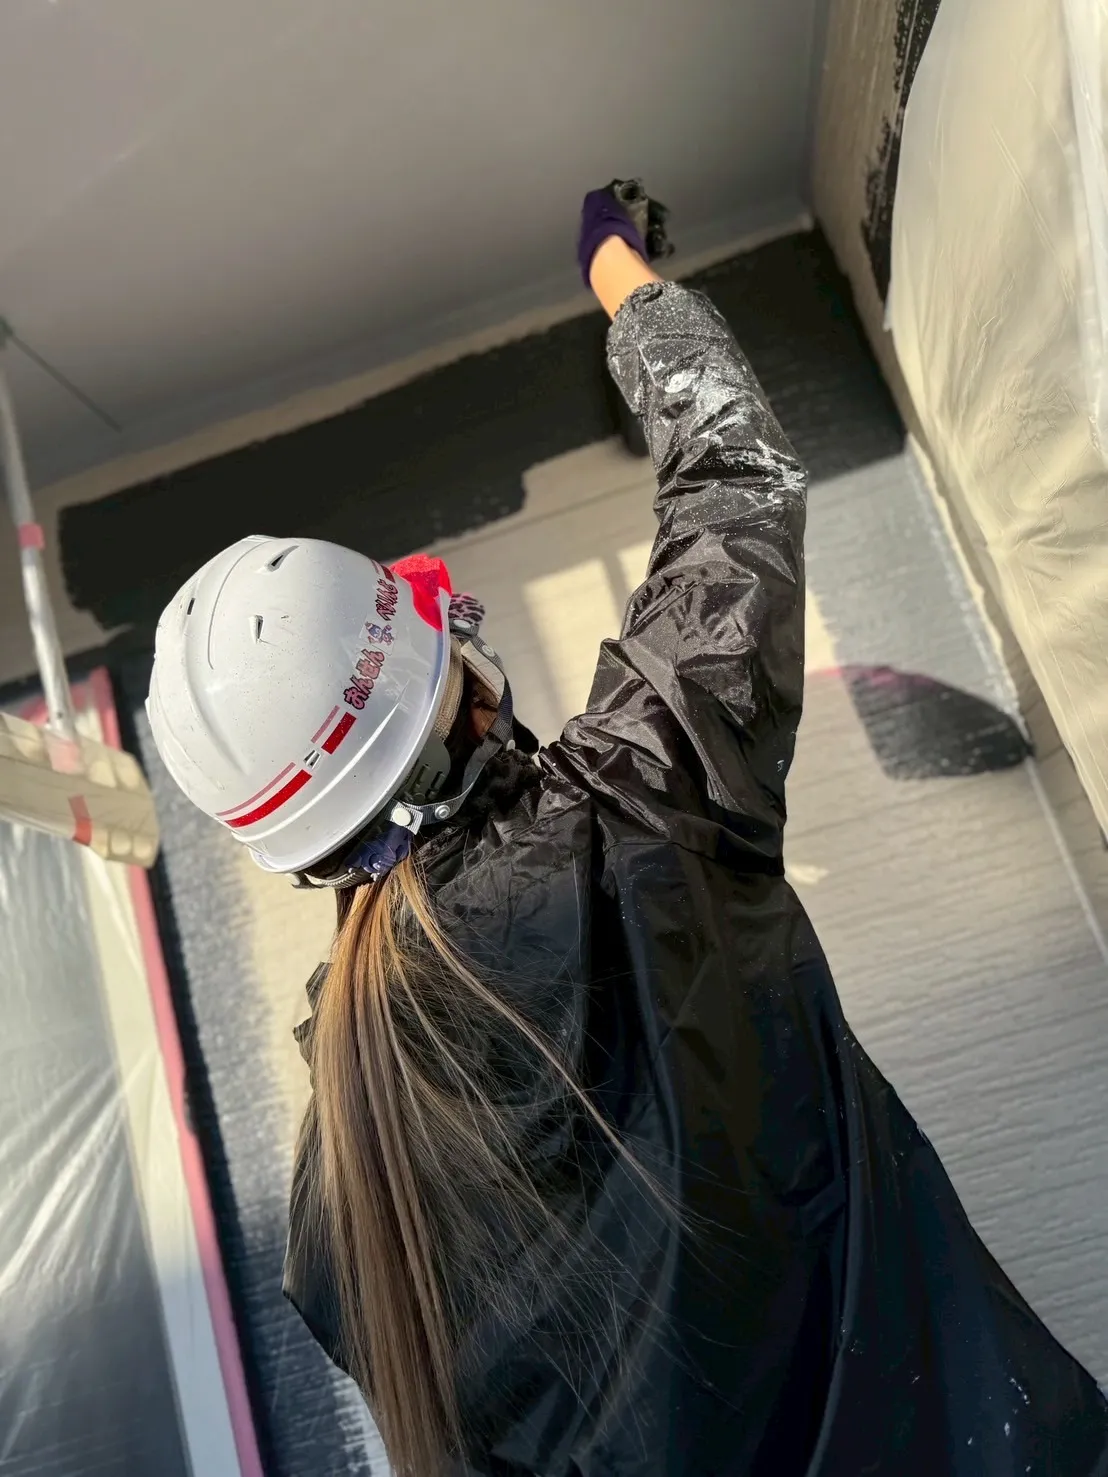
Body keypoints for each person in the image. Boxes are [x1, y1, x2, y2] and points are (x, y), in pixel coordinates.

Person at [146, 186, 1108, 1477]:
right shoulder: (640, 806)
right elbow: (733, 473)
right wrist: (615, 266)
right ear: (458, 687)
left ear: (295, 849)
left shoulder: (338, 1223)